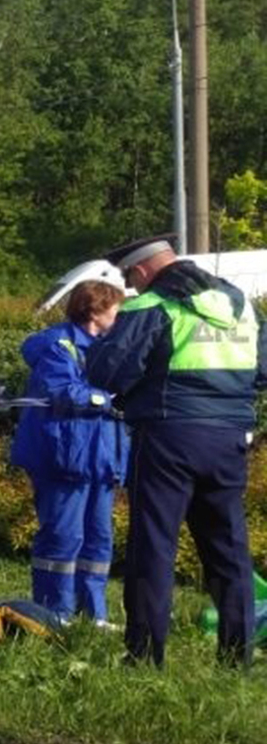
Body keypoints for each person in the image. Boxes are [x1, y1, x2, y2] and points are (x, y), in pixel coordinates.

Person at [86, 234, 265, 668]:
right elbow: (261, 370)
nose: (132, 286)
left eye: (131, 278)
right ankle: (236, 657)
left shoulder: (150, 307)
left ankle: (145, 657)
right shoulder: (239, 304)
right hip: (229, 439)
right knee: (227, 549)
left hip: (169, 436)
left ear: (143, 271)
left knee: (154, 547)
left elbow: (106, 371)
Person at [9, 280, 129, 624]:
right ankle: (53, 612)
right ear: (94, 310)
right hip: (64, 456)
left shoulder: (110, 347)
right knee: (63, 536)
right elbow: (63, 390)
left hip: (100, 458)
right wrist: (108, 400)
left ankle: (94, 614)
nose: (120, 319)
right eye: (115, 310)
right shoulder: (56, 345)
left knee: (98, 538)